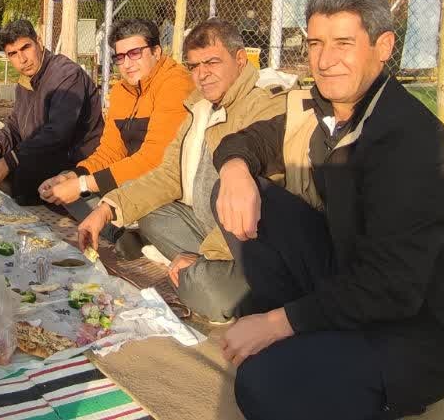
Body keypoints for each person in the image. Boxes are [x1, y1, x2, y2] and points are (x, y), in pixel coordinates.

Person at [209, 0, 444, 420]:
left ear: (384, 47)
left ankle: (351, 375)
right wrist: (234, 172)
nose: (325, 60)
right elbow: (247, 142)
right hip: (355, 278)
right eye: (315, 43)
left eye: (343, 43)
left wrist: (277, 323)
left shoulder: (412, 146)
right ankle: (309, 339)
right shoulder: (325, 111)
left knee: (261, 385)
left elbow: (392, 287)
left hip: (420, 328)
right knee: (237, 193)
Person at [76, 20, 296, 321]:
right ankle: (198, 267)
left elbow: (263, 208)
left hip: (250, 243)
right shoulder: (199, 106)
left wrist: (205, 258)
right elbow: (168, 174)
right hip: (204, 226)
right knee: (150, 214)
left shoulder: (264, 105)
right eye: (194, 66)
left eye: (212, 62)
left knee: (204, 290)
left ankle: (213, 276)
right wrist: (107, 209)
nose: (202, 74)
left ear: (240, 59)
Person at [38, 19, 192, 240]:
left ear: (156, 52)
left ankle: (131, 234)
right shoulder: (121, 91)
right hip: (131, 182)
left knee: (147, 216)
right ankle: (123, 236)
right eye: (120, 57)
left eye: (135, 53)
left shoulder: (175, 84)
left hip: (165, 186)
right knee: (64, 184)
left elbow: (154, 161)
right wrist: (73, 177)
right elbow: (110, 152)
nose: (127, 64)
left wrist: (82, 184)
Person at [0, 19, 103, 206]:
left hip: (69, 157)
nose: (22, 59)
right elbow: (14, 126)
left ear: (39, 43)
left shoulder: (66, 74)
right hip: (35, 150)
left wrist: (9, 161)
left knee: (25, 174)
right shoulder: (26, 80)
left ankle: (14, 185)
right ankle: (3, 178)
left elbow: (57, 134)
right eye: (13, 54)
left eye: (26, 48)